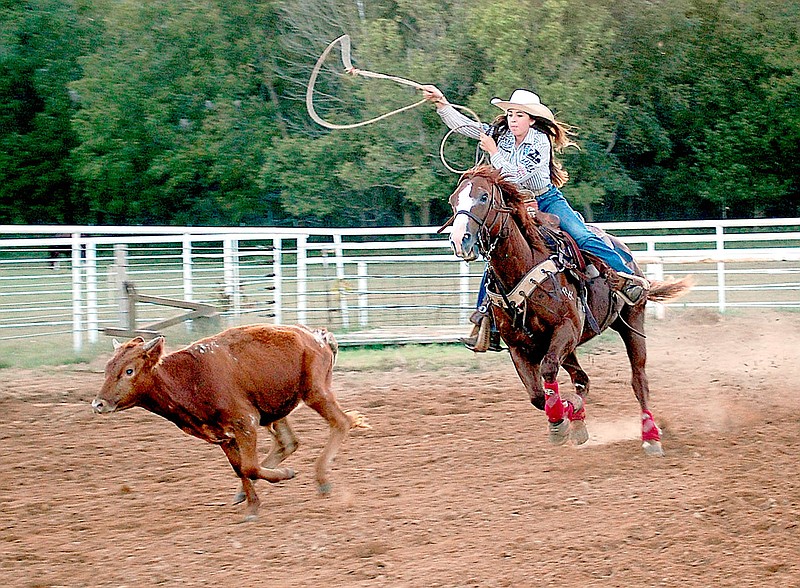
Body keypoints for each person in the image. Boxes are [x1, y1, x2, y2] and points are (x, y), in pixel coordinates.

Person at [421, 86, 650, 351]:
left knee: (582, 236)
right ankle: (486, 321)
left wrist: (494, 152)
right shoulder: (501, 134)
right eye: (510, 114)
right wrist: (442, 104)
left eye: (519, 115)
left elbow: (518, 175)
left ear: (531, 119)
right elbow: (468, 127)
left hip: (545, 199)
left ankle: (625, 277)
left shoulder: (539, 142)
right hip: (515, 202)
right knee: (497, 254)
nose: (513, 119)